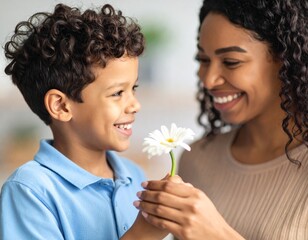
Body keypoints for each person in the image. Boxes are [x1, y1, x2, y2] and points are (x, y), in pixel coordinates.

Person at [134, 0, 308, 239]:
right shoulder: (197, 159)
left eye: (231, 62)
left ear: (286, 61)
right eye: (203, 60)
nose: (209, 80)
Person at [0, 3, 169, 240]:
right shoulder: (30, 191)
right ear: (61, 105)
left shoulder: (136, 176)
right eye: (118, 93)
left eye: (134, 88)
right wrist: (142, 235)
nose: (135, 105)